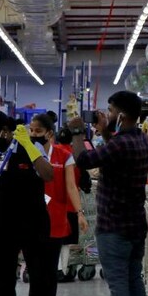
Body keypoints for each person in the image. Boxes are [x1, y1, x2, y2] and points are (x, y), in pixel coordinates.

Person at [72, 91, 148, 296]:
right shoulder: (140, 140)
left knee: (117, 285)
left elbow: (85, 161)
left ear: (122, 115)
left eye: (112, 111)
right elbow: (114, 152)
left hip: (114, 227)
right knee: (134, 279)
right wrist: (106, 131)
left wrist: (78, 132)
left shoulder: (121, 144)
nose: (108, 114)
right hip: (135, 225)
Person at [0, 110, 56, 296]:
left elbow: (48, 175)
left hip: (34, 224)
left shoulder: (32, 147)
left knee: (40, 280)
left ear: (4, 132)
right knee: (2, 284)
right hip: (2, 227)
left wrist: (29, 146)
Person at [30, 114, 89, 284]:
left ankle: (59, 270)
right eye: (31, 130)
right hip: (33, 216)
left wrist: (79, 213)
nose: (34, 134)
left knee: (50, 269)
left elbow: (71, 186)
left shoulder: (64, 155)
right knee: (37, 269)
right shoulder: (27, 153)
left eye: (38, 131)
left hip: (56, 215)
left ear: (49, 133)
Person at [49, 118, 91, 282]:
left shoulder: (53, 154)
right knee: (67, 241)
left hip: (53, 204)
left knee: (54, 238)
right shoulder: (73, 156)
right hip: (71, 205)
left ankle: (56, 267)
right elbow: (81, 181)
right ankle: (65, 269)